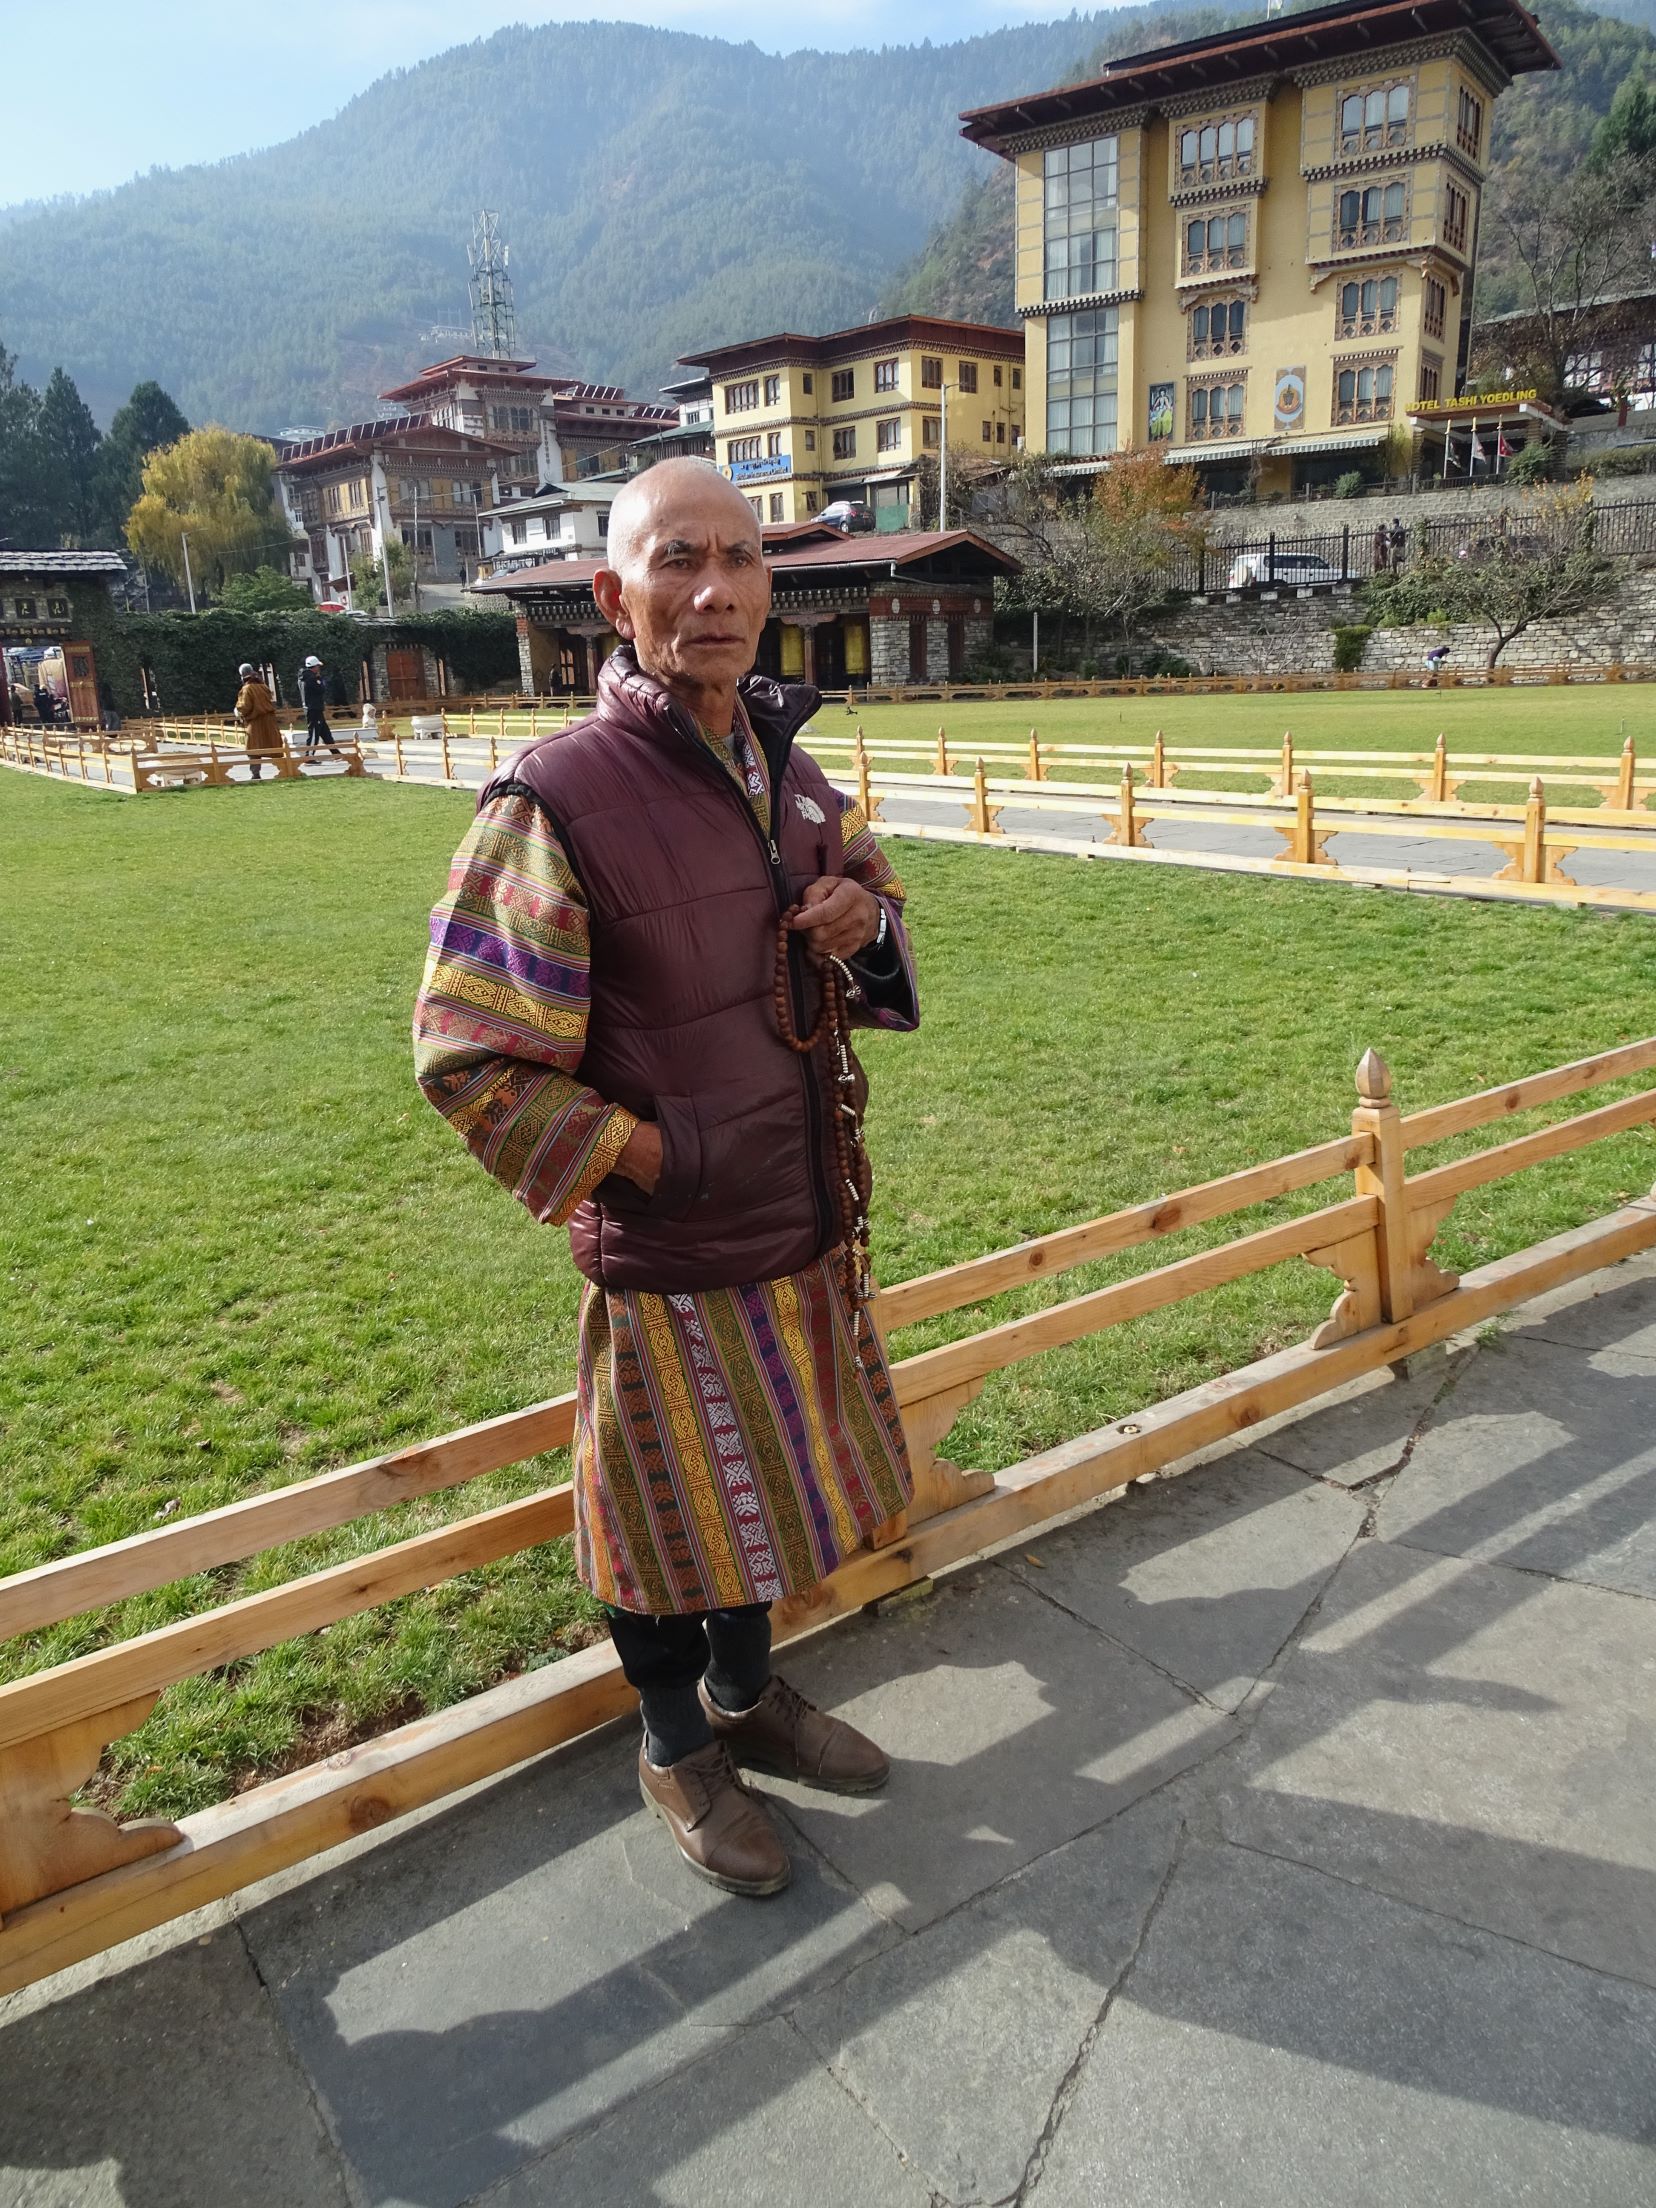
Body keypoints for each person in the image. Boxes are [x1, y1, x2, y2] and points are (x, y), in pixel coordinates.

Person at [414, 459, 918, 1897]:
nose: (715, 592)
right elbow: (471, 1060)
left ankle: (749, 1702)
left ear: (773, 584)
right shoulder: (557, 798)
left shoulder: (788, 763)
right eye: (677, 562)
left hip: (802, 1211)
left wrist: (859, 914)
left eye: (742, 562)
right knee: (666, 1514)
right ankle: (669, 1741)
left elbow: (879, 906)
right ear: (610, 596)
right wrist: (661, 1158)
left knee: (771, 1485)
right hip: (675, 1236)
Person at [233, 662, 283, 780]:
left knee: (253, 748)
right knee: (274, 745)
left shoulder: (247, 689)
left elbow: (244, 706)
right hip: (269, 722)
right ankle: (284, 769)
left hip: (255, 723)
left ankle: (255, 774)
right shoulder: (263, 687)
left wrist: (237, 711)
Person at [299, 654, 341, 755]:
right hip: (314, 708)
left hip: (311, 707)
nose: (319, 668)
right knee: (314, 733)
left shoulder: (302, 678)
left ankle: (336, 754)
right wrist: (321, 681)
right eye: (318, 666)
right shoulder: (311, 679)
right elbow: (321, 689)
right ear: (315, 667)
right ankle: (308, 756)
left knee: (325, 732)